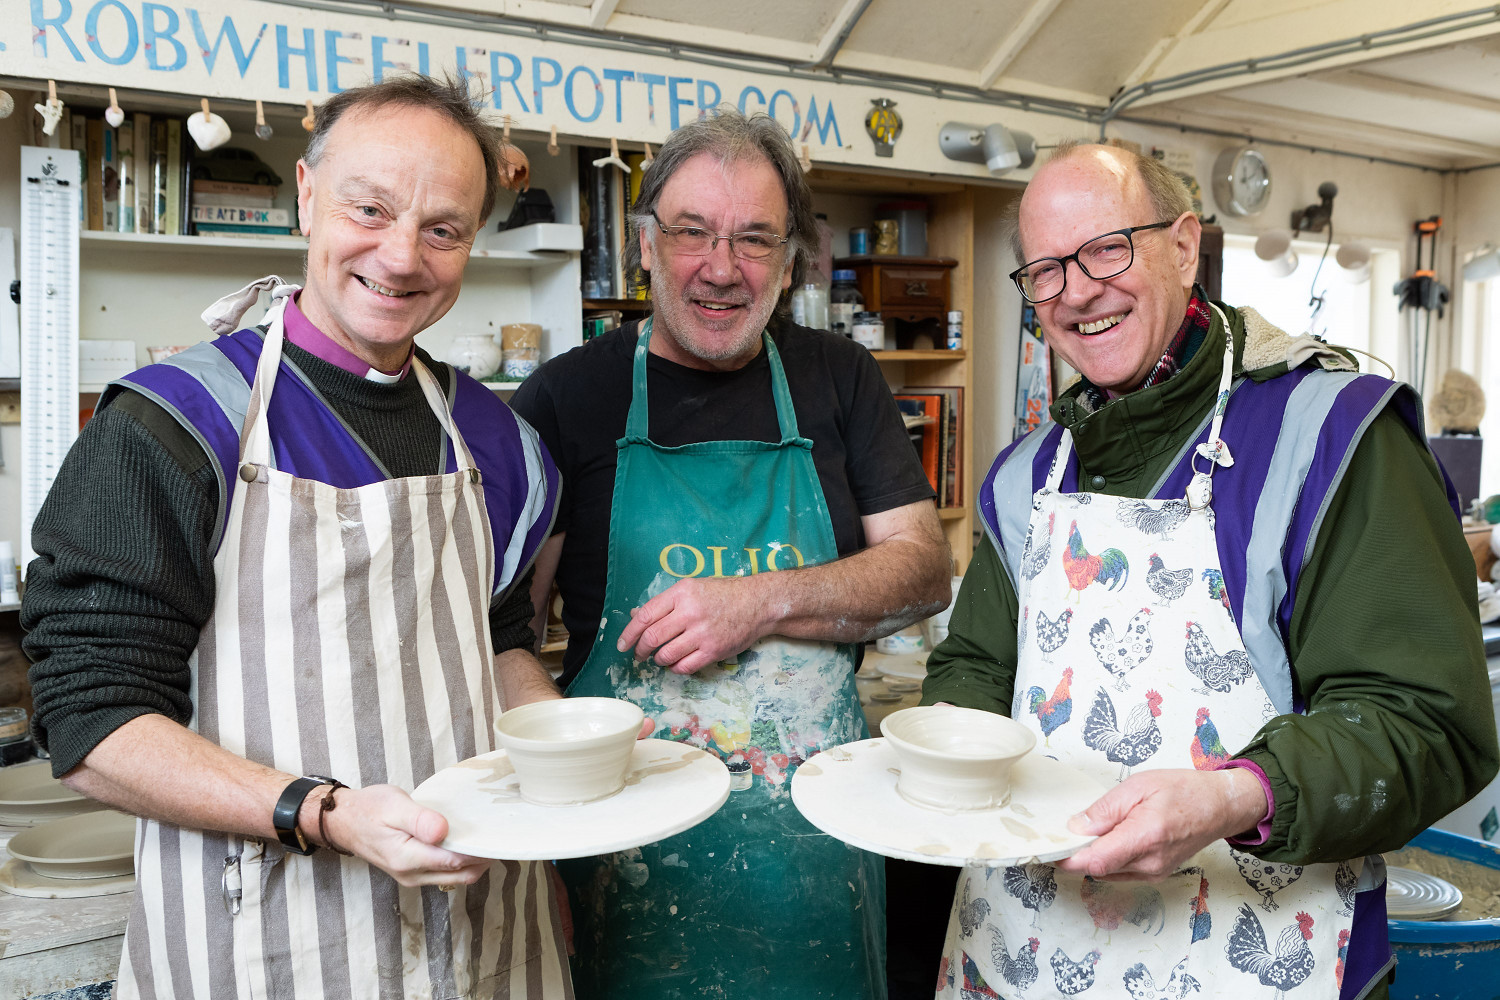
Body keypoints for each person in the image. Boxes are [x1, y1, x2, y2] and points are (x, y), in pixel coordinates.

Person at [22, 76, 570, 998]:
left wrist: (569, 750)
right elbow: (92, 721)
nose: (401, 258)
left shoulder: (498, 441)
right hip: (264, 930)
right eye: (370, 209)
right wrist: (325, 813)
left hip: (483, 933)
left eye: (442, 229)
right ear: (309, 199)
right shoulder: (176, 423)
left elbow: (499, 640)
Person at [923, 141, 1499, 1000]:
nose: (1077, 290)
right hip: (1021, 958)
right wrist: (937, 755)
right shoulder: (1022, 476)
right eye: (1045, 270)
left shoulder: (1333, 435)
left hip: (1256, 956)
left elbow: (1428, 722)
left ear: (1185, 245)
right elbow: (973, 668)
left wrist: (1235, 799)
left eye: (1107, 249)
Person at [510, 108, 952, 998]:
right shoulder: (566, 397)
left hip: (814, 859)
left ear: (788, 263)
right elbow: (504, 631)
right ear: (644, 246)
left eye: (755, 239)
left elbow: (923, 571)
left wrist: (757, 600)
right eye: (692, 234)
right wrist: (543, 825)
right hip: (623, 851)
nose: (722, 267)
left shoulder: (839, 376)